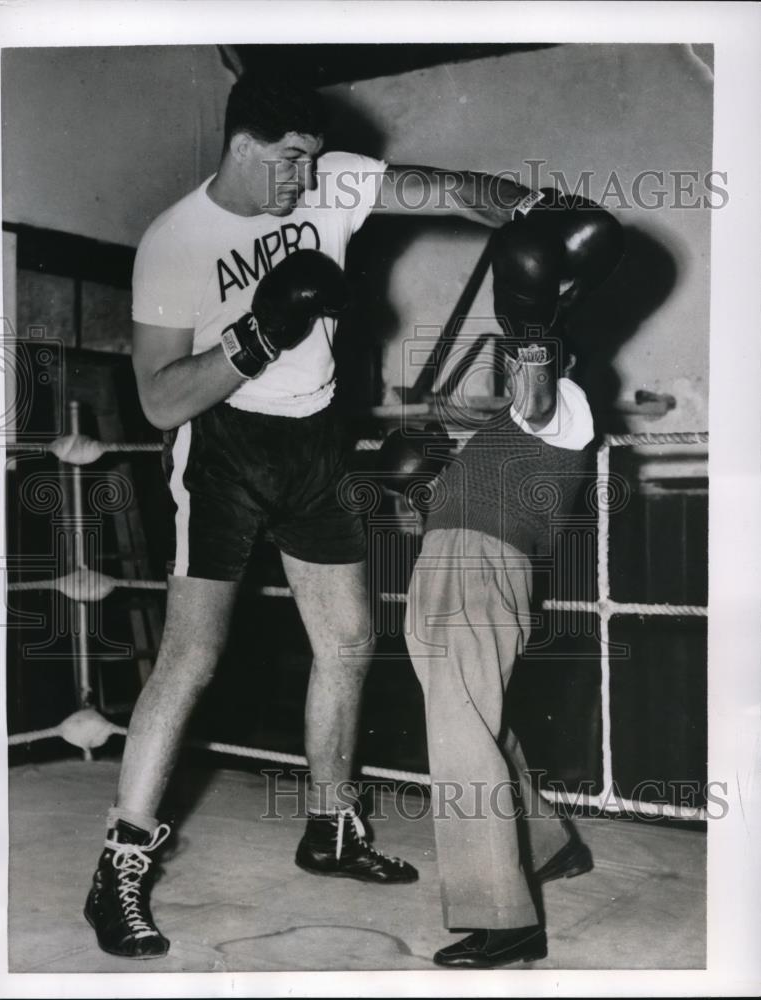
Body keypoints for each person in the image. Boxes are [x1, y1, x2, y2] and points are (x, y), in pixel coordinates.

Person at [83, 71, 565, 960]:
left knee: (346, 638)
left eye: (315, 162)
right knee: (192, 655)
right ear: (243, 148)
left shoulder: (333, 177)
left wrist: (524, 205)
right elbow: (157, 403)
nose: (310, 183)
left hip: (314, 443)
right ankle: (119, 867)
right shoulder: (175, 243)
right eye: (293, 163)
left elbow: (449, 190)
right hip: (223, 447)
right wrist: (259, 334)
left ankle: (330, 826)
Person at [401, 192, 624, 968]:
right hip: (455, 562)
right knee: (475, 718)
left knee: (459, 732)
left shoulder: (564, 403)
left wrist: (531, 329)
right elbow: (456, 412)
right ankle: (549, 846)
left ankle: (506, 918)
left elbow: (532, 384)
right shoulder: (511, 419)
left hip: (479, 570)